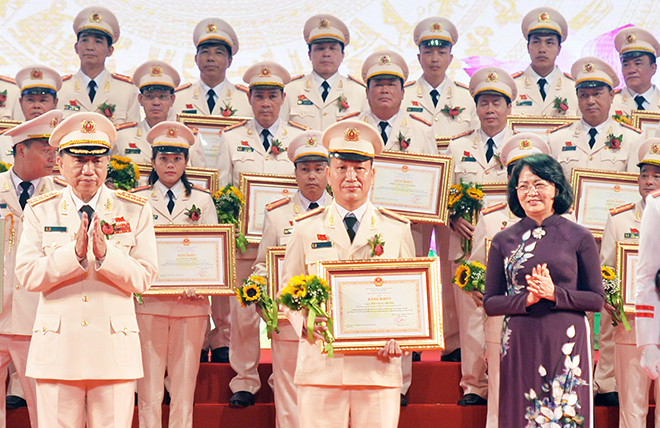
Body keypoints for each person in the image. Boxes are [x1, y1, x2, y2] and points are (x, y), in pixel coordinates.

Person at [15, 112, 158, 428]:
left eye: (97, 161)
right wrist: (73, 255)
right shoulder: (40, 209)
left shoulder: (134, 209)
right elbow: (27, 275)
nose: (89, 170)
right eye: (79, 160)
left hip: (113, 353)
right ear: (60, 163)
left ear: (108, 163)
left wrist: (107, 256)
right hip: (58, 351)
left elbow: (145, 277)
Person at [281, 119, 413, 428]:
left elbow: (411, 297)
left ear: (373, 174)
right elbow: (286, 292)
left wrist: (404, 335)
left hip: (378, 368)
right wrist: (305, 323)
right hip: (321, 367)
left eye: (359, 168)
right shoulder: (305, 228)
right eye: (342, 168)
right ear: (328, 174)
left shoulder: (397, 229)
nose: (350, 177)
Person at [483, 153, 604, 427]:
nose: (531, 192)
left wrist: (554, 294)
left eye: (539, 184)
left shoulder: (579, 236)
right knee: (520, 411)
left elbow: (596, 300)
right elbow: (490, 302)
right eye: (523, 186)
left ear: (556, 188)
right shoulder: (503, 240)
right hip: (520, 339)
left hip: (566, 339)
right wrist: (526, 299)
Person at [216, 60, 306, 407]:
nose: (266, 103)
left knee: (287, 311)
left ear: (282, 98)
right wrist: (232, 228)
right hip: (246, 243)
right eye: (259, 96)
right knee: (243, 314)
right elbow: (222, 191)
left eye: (272, 96)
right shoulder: (231, 139)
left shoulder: (299, 138)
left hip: (287, 242)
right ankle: (244, 379)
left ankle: (281, 375)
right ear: (250, 99)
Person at [130, 121, 215, 428]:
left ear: (186, 161)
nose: (170, 165)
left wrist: (203, 283)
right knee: (148, 389)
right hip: (148, 302)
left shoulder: (203, 200)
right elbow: (129, 247)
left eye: (177, 158)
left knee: (183, 388)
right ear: (152, 161)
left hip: (190, 304)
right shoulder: (136, 199)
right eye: (163, 158)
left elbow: (212, 252)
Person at [468, 132, 551, 428]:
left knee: (548, 396)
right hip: (502, 323)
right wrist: (476, 288)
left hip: (549, 321)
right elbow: (475, 268)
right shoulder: (491, 220)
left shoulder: (565, 220)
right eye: (518, 173)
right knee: (501, 399)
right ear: (509, 179)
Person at [444, 66, 515, 407]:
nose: (490, 110)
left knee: (511, 314)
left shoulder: (523, 147)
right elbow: (441, 195)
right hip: (467, 243)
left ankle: (511, 378)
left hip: (511, 243)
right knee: (471, 314)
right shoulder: (458, 147)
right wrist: (452, 217)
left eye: (496, 103)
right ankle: (473, 384)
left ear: (509, 107)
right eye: (483, 103)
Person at [251, 130, 332, 428]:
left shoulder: (342, 212)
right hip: (287, 320)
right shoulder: (276, 214)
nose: (311, 176)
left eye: (318, 169)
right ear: (295, 173)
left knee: (328, 398)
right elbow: (262, 265)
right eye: (305, 169)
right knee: (287, 396)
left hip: (328, 322)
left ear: (328, 172)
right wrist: (260, 294)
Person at [0, 109, 62, 428]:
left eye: (54, 150)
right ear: (20, 149)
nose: (53, 156)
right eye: (45, 149)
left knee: (46, 410)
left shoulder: (62, 196)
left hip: (38, 318)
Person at [601, 138, 660, 427]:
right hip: (631, 325)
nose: (649, 181)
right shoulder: (619, 220)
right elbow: (605, 270)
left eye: (657, 176)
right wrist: (609, 297)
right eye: (644, 174)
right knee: (632, 408)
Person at [548, 56, 642, 180]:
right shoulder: (557, 138)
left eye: (597, 94)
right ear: (577, 98)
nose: (590, 101)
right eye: (584, 95)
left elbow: (633, 185)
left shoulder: (632, 139)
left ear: (611, 96)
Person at [113, 60, 206, 167]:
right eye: (150, 96)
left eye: (162, 97)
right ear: (140, 99)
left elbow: (200, 175)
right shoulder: (123, 137)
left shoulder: (189, 138)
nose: (156, 102)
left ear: (172, 99)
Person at [281, 14, 366, 131]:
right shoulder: (290, 91)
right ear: (309, 54)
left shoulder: (360, 92)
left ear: (342, 55)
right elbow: (280, 133)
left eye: (332, 48)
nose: (326, 54)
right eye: (320, 48)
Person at [57, 6, 140, 124]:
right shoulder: (60, 89)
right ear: (76, 47)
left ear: (110, 50)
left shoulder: (127, 90)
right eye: (85, 40)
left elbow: (133, 132)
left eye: (98, 42)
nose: (90, 47)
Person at [403, 17, 477, 145]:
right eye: (428, 52)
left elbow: (475, 140)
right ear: (419, 58)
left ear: (450, 58)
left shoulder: (468, 97)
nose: (435, 59)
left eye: (442, 53)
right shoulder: (403, 96)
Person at [352, 50, 436, 155]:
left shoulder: (422, 132)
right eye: (378, 85)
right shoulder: (351, 128)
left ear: (402, 93)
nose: (384, 90)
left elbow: (432, 165)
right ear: (367, 92)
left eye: (391, 85)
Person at [172, 18, 251, 117]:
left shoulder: (246, 100)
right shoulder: (177, 98)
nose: (211, 58)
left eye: (218, 53)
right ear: (196, 59)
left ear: (230, 61)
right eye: (205, 52)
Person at [511, 7, 578, 117]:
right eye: (536, 42)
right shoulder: (512, 87)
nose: (542, 49)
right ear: (528, 47)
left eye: (549, 43)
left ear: (559, 49)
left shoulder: (574, 89)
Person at [0, 65, 62, 164]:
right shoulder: (5, 140)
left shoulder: (64, 139)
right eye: (30, 100)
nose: (36, 106)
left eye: (43, 100)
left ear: (55, 103)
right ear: (21, 102)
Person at [611, 26, 660, 118]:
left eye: (638, 63)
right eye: (626, 64)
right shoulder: (609, 103)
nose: (631, 70)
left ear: (653, 68)